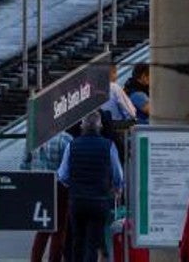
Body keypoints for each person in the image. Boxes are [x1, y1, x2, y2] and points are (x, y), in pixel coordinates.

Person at [58, 112, 124, 262]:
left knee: (77, 240)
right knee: (92, 242)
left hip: (77, 200)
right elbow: (118, 175)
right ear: (100, 126)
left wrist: (74, 185)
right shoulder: (109, 146)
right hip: (99, 200)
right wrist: (117, 188)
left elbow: (62, 175)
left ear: (82, 126)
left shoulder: (72, 145)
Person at [23, 129, 73, 262]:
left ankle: (35, 259)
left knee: (42, 228)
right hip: (59, 187)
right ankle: (54, 259)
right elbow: (68, 168)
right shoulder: (65, 139)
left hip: (39, 185)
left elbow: (24, 165)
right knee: (59, 229)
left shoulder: (33, 139)